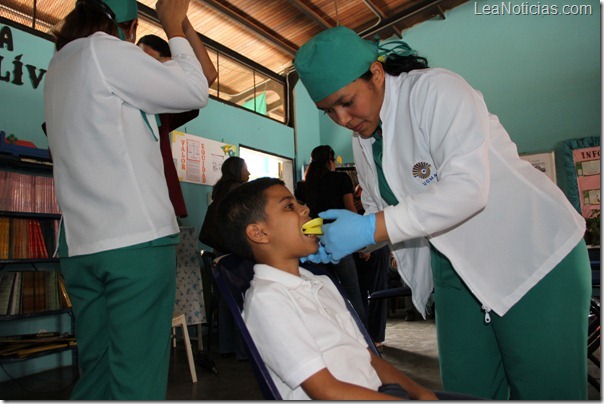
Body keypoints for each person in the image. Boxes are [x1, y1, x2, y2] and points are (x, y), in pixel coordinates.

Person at [294, 26, 591, 400]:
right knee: (469, 392)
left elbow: (468, 189)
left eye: (347, 101)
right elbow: (381, 211)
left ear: (376, 73)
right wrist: (339, 236)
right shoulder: (365, 139)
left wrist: (370, 228)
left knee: (546, 392)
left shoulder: (436, 91)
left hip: (532, 257)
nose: (342, 118)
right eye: (328, 111)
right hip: (455, 271)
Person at [43, 0, 209, 399]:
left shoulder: (60, 65)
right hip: (134, 241)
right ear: (129, 26)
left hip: (81, 246)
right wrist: (172, 22)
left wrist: (179, 26)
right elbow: (196, 89)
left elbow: (202, 74)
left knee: (97, 373)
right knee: (137, 378)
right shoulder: (106, 50)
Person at [217, 177, 481, 400]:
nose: (305, 209)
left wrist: (424, 395)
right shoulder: (268, 300)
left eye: (299, 202)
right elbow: (325, 390)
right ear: (259, 233)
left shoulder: (320, 282)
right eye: (289, 206)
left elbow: (368, 357)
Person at [137, 31, 217, 219]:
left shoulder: (164, 105)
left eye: (150, 62)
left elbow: (208, 76)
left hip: (160, 203)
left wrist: (179, 25)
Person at [294, 145, 366, 325]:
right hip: (339, 240)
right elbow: (350, 211)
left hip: (313, 243)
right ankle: (363, 337)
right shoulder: (341, 178)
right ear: (330, 161)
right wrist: (362, 241)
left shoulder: (303, 185)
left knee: (324, 292)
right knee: (352, 291)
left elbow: (299, 216)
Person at [202, 155, 250, 358]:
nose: (249, 173)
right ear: (238, 171)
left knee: (226, 299)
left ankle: (226, 346)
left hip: (220, 252)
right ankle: (242, 350)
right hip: (237, 250)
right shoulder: (239, 191)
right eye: (246, 169)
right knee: (244, 298)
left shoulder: (219, 191)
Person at [352, 185, 390, 346]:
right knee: (359, 293)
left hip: (377, 247)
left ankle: (376, 336)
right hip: (356, 249)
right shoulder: (353, 205)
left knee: (378, 292)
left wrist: (369, 248)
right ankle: (365, 335)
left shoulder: (379, 200)